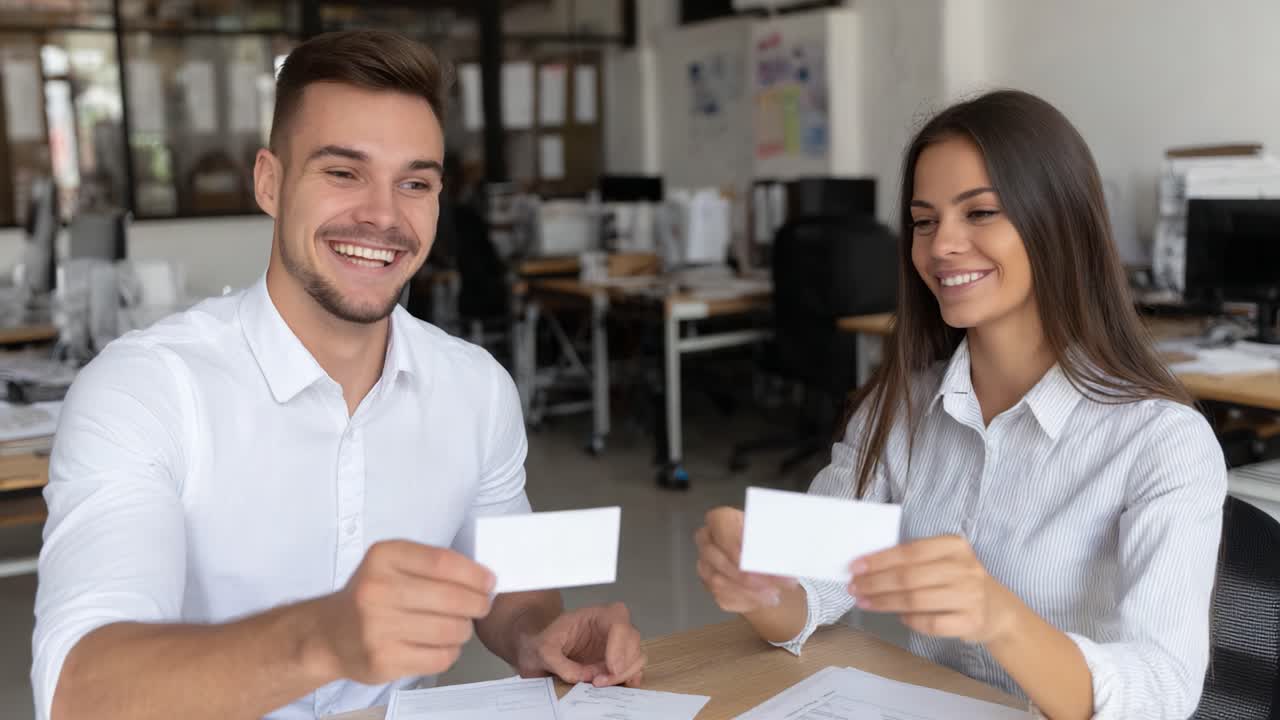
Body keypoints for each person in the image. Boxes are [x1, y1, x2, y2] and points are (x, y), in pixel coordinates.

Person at [33, 30, 645, 720]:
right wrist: (324, 637)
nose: (383, 216)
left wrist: (540, 633)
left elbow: (515, 581)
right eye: (343, 172)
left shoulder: (477, 389)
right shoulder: (145, 390)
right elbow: (80, 692)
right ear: (270, 181)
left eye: (414, 183)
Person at [695, 90, 1225, 720]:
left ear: (1058, 221)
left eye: (980, 213)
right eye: (924, 220)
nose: (941, 245)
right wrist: (755, 583)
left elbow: (1163, 689)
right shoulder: (901, 409)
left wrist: (998, 616)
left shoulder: (1162, 441)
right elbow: (811, 587)